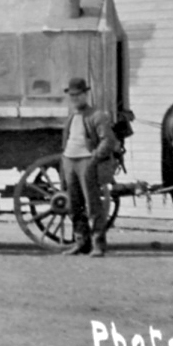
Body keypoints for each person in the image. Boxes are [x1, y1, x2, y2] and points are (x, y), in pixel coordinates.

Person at [59, 77, 118, 258]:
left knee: (92, 204)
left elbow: (108, 140)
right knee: (73, 205)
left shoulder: (97, 115)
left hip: (86, 162)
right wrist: (64, 161)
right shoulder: (71, 116)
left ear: (86, 94)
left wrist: (94, 159)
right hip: (70, 161)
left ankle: (98, 244)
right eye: (72, 95)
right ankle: (81, 243)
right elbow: (66, 140)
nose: (75, 98)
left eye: (78, 95)